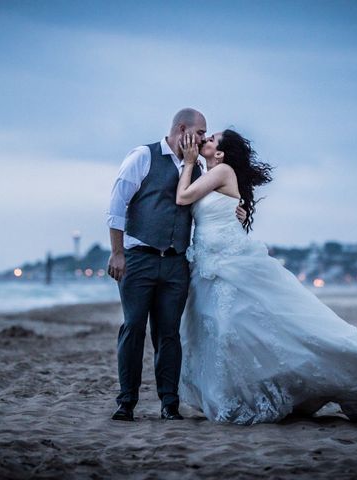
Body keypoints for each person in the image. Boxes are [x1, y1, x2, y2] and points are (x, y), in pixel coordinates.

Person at [175, 129, 357, 425]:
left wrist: (186, 163)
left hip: (230, 263)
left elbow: (183, 197)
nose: (205, 140)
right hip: (209, 265)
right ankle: (235, 394)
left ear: (220, 153)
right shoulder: (209, 173)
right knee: (224, 333)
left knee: (246, 328)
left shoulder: (220, 170)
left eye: (211, 139)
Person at [106, 109, 245, 422]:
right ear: (182, 128)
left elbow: (221, 199)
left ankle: (169, 404)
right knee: (133, 327)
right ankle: (126, 402)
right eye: (200, 133)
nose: (202, 139)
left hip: (176, 263)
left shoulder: (197, 168)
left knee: (169, 334)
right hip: (139, 258)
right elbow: (116, 207)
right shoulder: (143, 156)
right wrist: (117, 253)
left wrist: (239, 211)